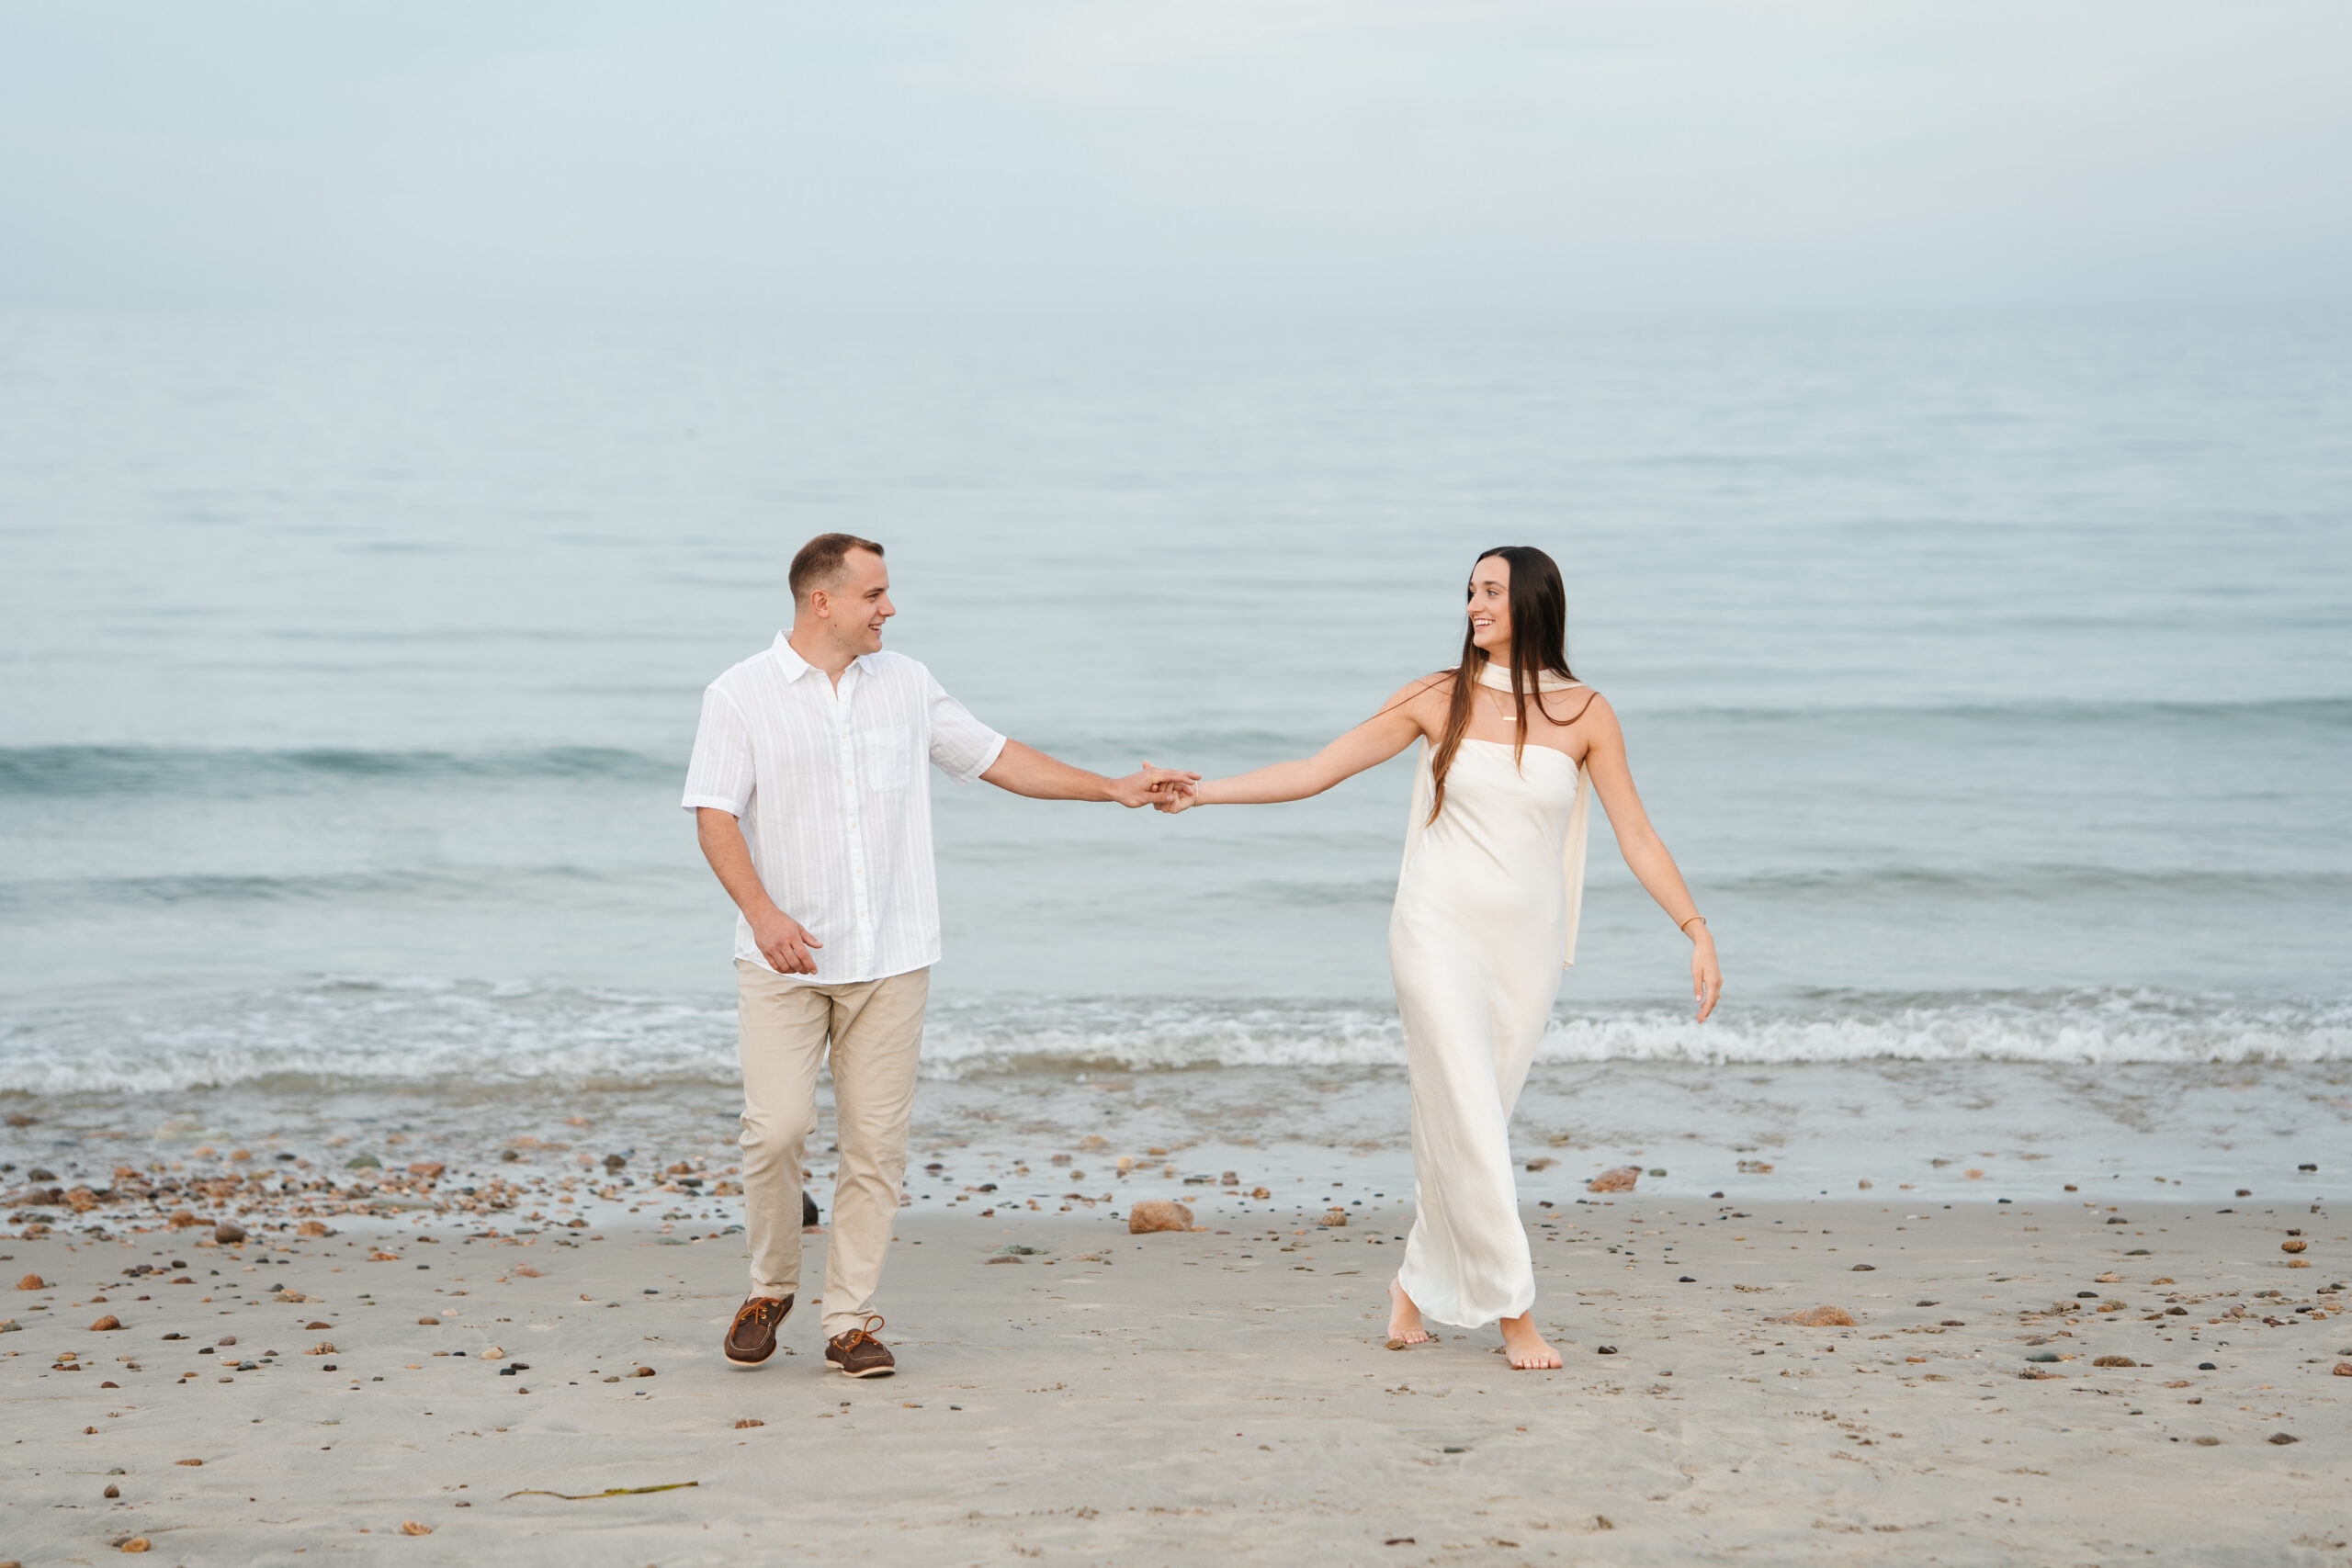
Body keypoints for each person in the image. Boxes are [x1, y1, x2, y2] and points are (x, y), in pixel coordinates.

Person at [1156, 545, 1720, 1369]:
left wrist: (1694, 926)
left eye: (1489, 590)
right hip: (1436, 929)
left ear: (1533, 600)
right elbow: (1317, 770)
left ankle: (1412, 1288)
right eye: (1468, 592)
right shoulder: (1437, 696)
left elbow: (1636, 832)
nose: (1473, 605)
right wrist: (1201, 791)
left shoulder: (1587, 712)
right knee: (1467, 1109)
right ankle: (1514, 1311)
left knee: (1471, 1119)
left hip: (1523, 949)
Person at [684, 533, 1190, 1378]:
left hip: (894, 953)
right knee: (775, 1132)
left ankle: (847, 1318)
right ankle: (771, 1285)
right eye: (874, 594)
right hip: (784, 960)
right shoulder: (739, 694)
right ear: (823, 602)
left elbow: (997, 759)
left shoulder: (908, 684)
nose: (889, 607)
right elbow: (712, 812)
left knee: (875, 1145)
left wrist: (1111, 787)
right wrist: (762, 911)